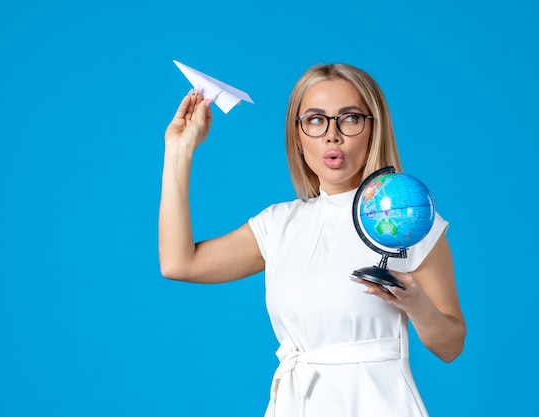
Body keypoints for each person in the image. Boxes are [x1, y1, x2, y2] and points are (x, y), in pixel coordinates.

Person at [159, 63, 466, 417]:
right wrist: (179, 150)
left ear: (373, 129)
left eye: (349, 118)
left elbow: (451, 346)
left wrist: (415, 303)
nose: (332, 135)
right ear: (298, 135)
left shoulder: (405, 218)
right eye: (316, 120)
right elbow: (178, 262)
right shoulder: (277, 225)